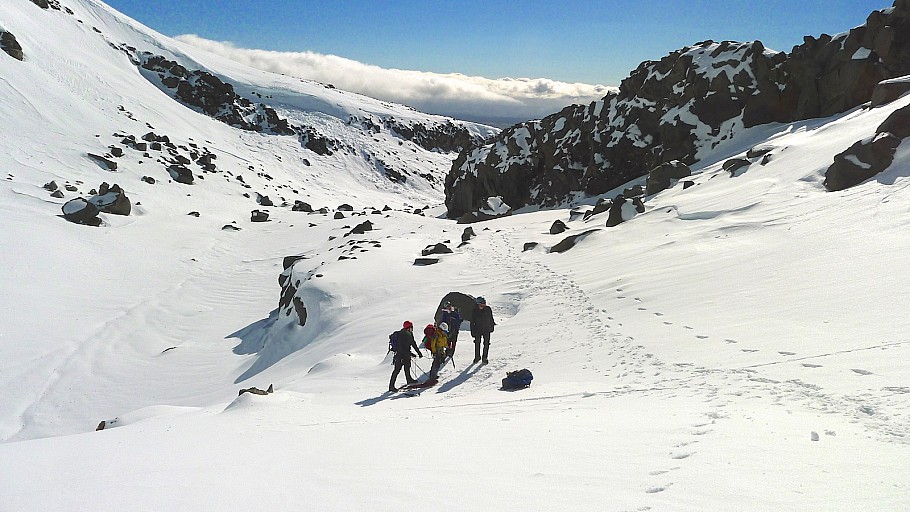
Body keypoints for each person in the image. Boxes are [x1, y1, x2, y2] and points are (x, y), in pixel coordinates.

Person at [389, 320, 422, 392]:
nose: (412, 329)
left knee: (407, 368)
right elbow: (402, 347)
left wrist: (418, 353)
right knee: (397, 370)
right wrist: (411, 354)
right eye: (411, 327)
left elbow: (413, 344)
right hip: (401, 355)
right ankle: (391, 386)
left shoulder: (409, 334)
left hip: (405, 355)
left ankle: (409, 380)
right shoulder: (403, 335)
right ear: (408, 328)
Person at [470, 296, 495, 364]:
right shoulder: (475, 311)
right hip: (477, 329)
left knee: (486, 344)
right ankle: (477, 357)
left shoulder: (488, 309)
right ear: (478, 304)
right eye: (483, 303)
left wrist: (492, 326)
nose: (484, 304)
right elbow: (472, 322)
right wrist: (472, 331)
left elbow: (491, 319)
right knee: (477, 343)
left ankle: (485, 357)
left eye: (485, 303)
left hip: (486, 329)